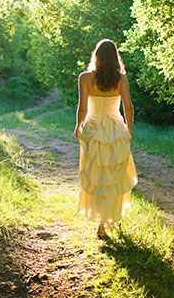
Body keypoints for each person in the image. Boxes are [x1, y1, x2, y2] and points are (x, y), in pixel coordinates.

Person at [73, 39, 138, 238]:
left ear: (97, 56)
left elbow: (83, 107)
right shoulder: (121, 79)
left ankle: (102, 220)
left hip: (93, 128)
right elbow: (128, 107)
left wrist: (78, 126)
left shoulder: (85, 78)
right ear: (115, 57)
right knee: (113, 175)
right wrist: (129, 129)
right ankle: (107, 219)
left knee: (96, 175)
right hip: (116, 128)